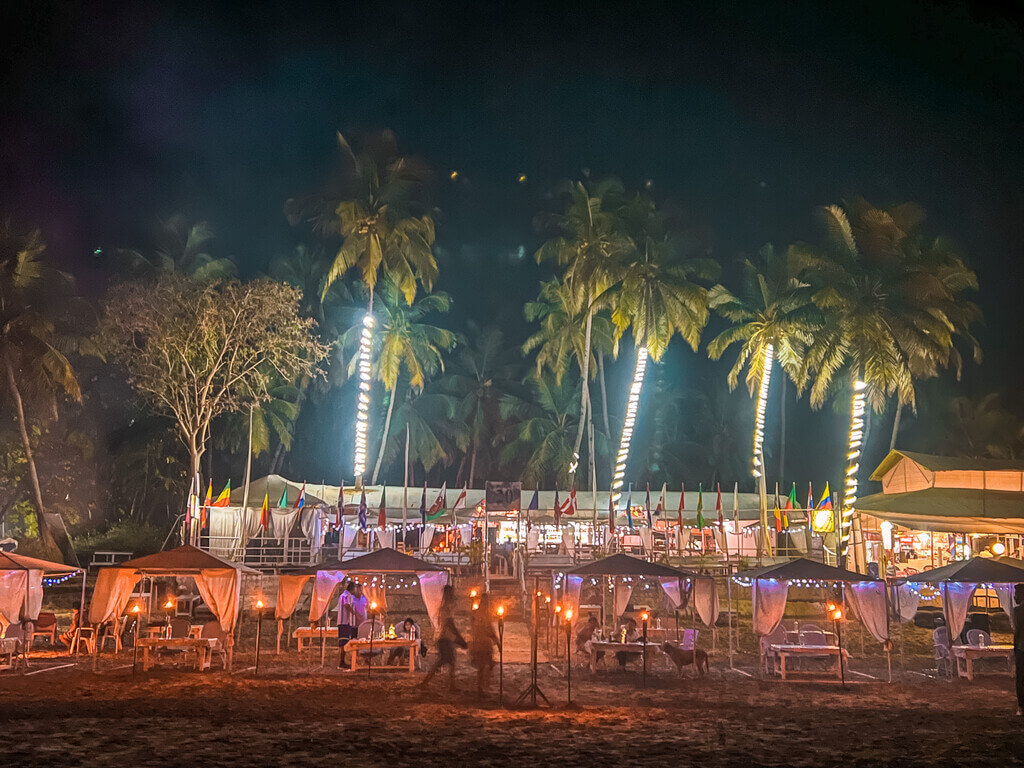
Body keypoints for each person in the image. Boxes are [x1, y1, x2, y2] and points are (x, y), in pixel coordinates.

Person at [420, 585, 466, 691]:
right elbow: (449, 624)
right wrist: (459, 637)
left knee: (448, 662)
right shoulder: (446, 608)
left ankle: (449, 684)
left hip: (446, 638)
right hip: (445, 639)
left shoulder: (445, 607)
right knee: (443, 662)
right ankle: (429, 682)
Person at [469, 593, 500, 695]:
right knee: (485, 666)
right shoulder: (484, 614)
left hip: (479, 642)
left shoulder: (476, 613)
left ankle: (481, 687)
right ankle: (481, 688)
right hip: (483, 644)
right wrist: (497, 641)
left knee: (483, 666)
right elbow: (489, 629)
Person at [337, 581, 357, 668]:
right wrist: (355, 614)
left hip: (346, 622)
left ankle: (343, 661)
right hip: (344, 622)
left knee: (344, 642)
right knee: (343, 643)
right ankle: (341, 662)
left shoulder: (347, 595)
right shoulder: (346, 595)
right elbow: (347, 605)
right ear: (353, 588)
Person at [1014, 584, 1024, 715]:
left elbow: (1017, 631)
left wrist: (1015, 647)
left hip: (1022, 648)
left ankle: (1021, 706)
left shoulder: (1018, 611)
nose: (1014, 597)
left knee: (1021, 678)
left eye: (1016, 594)